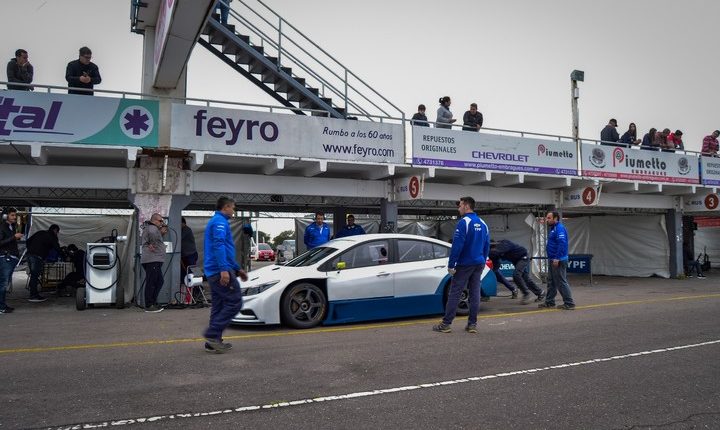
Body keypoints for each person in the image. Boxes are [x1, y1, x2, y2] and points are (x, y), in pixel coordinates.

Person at [433, 196, 490, 334]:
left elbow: (457, 246)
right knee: (475, 293)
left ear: (466, 206)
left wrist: (451, 265)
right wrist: (482, 259)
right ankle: (472, 325)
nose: (458, 208)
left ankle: (446, 324)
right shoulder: (483, 223)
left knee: (455, 293)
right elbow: (486, 245)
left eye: (460, 206)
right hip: (479, 263)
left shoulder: (464, 222)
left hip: (465, 264)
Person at [203, 196, 248, 353]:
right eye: (233, 208)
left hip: (216, 269)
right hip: (218, 270)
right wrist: (224, 269)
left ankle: (213, 342)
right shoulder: (219, 222)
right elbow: (219, 245)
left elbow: (227, 250)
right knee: (235, 302)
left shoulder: (218, 221)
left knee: (219, 305)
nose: (234, 211)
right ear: (226, 207)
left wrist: (237, 269)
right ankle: (212, 334)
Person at [490, 239, 545, 304]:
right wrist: (493, 270)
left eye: (492, 246)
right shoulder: (495, 253)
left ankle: (526, 294)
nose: (492, 248)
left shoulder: (504, 243)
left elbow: (502, 249)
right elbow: (496, 264)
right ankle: (540, 292)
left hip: (523, 258)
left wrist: (490, 252)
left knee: (516, 275)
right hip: (516, 261)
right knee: (525, 278)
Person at [539, 211, 575, 310]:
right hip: (553, 259)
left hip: (558, 259)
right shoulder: (553, 229)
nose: (547, 220)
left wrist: (557, 258)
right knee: (551, 282)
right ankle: (549, 302)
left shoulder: (559, 228)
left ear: (555, 218)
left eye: (549, 218)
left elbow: (562, 244)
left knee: (561, 282)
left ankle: (569, 303)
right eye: (547, 218)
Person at [25, 224, 61, 302]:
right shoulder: (52, 236)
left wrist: (31, 249)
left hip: (29, 255)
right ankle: (33, 295)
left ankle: (33, 293)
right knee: (35, 275)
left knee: (33, 275)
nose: (57, 233)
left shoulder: (40, 232)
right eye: (57, 232)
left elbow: (28, 241)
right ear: (55, 230)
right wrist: (63, 255)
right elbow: (57, 248)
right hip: (37, 256)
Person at [141, 213, 167, 313]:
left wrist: (160, 233)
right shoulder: (152, 228)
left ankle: (153, 301)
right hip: (152, 259)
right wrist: (159, 235)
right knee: (151, 282)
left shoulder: (153, 229)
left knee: (159, 281)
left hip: (155, 259)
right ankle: (149, 305)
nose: (162, 223)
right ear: (155, 220)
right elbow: (153, 238)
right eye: (160, 221)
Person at [0, 208, 23, 314]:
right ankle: (1, 307)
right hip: (5, 258)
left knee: (5, 284)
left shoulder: (11, 227)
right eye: (12, 215)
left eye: (15, 215)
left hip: (11, 258)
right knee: (3, 284)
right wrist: (14, 237)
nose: (14, 217)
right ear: (6, 216)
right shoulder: (2, 227)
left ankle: (3, 305)